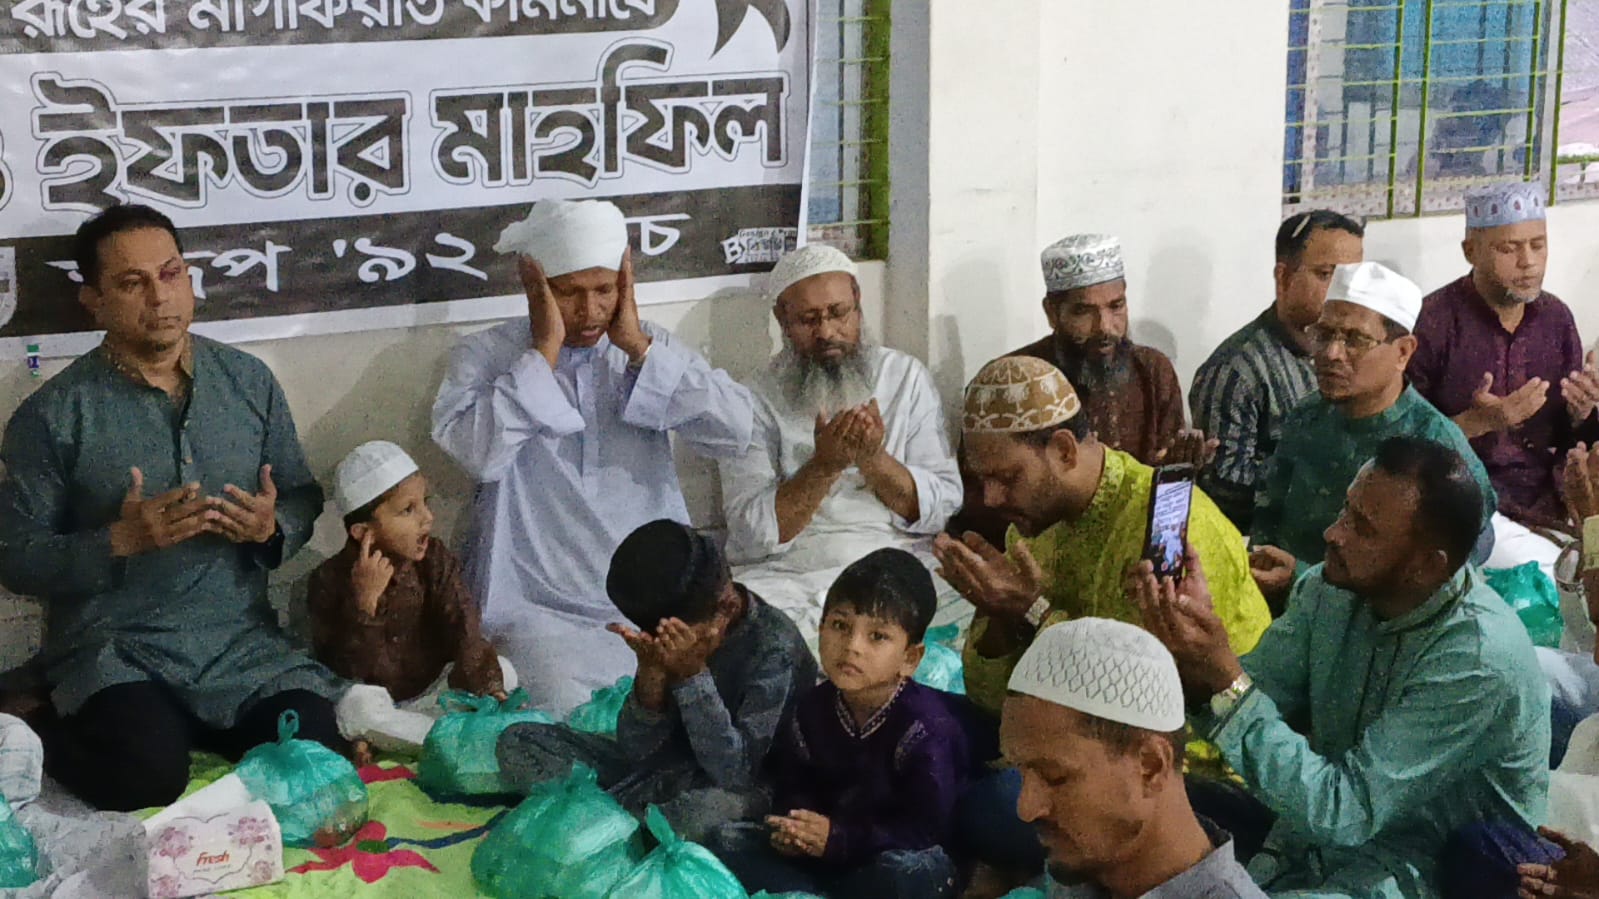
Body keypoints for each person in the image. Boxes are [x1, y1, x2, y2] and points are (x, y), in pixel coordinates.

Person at [0, 204, 346, 811]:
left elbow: (300, 493)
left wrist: (271, 527)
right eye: (132, 283)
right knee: (145, 778)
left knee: (317, 761)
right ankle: (34, 717)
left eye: (170, 274)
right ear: (94, 301)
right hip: (117, 648)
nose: (160, 298)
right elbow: (15, 556)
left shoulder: (248, 382)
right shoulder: (52, 416)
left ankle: (188, 724)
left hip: (239, 644)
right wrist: (118, 541)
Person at [1129, 436, 1549, 898]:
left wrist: (1224, 677)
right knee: (1128, 809)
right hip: (1307, 839)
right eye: (1346, 510)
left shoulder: (1477, 659)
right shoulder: (1330, 590)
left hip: (1426, 869)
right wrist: (1188, 646)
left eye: (1363, 528)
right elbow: (1254, 694)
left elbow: (1344, 812)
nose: (1334, 533)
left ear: (1427, 567)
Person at [931, 356, 1269, 881]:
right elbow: (992, 700)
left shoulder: (1168, 531)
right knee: (928, 727)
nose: (992, 499)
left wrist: (1031, 611)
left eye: (1006, 478)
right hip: (1070, 738)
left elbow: (1133, 712)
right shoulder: (1033, 521)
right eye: (982, 481)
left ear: (1064, 450)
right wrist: (1000, 615)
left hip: (1195, 769)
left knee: (995, 804)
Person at [432, 200, 755, 714]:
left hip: (658, 598)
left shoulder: (647, 346)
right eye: (569, 292)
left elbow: (736, 431)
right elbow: (479, 455)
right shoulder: (487, 356)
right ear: (534, 283)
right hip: (539, 607)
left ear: (626, 281)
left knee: (726, 695)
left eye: (605, 290)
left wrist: (640, 349)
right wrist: (542, 353)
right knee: (573, 714)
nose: (589, 312)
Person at [495, 519, 818, 842]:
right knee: (519, 741)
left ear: (727, 607)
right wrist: (651, 676)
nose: (666, 643)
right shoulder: (680, 623)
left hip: (739, 789)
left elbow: (735, 774)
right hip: (661, 774)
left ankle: (604, 823)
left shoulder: (774, 650)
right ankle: (622, 826)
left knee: (699, 815)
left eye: (673, 637)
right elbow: (637, 751)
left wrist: (693, 676)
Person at [719, 245, 961, 644]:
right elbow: (753, 532)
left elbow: (942, 507)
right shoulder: (750, 399)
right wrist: (824, 466)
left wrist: (874, 459)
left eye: (838, 313)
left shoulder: (905, 377)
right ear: (782, 319)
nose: (827, 332)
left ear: (858, 304)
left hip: (895, 564)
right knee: (758, 644)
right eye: (808, 319)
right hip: (792, 576)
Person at [707, 548, 967, 899]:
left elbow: (925, 830)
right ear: (821, 629)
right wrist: (795, 829)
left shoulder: (925, 729)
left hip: (886, 855)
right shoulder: (812, 708)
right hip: (826, 851)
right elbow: (794, 784)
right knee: (725, 839)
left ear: (910, 658)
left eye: (877, 636)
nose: (851, 647)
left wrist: (838, 839)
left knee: (910, 872)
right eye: (841, 626)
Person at [1250, 261, 1497, 612]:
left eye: (1355, 340)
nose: (1331, 354)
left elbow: (1440, 584)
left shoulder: (1436, 446)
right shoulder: (1308, 415)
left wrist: (1301, 579)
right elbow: (1269, 508)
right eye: (1324, 334)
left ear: (1403, 352)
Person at [950, 234, 1190, 546]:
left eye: (1116, 306)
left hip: (1132, 539)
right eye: (1083, 311)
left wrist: (1176, 474)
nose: (1104, 327)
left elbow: (1164, 492)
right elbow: (982, 506)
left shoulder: (1153, 370)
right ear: (1052, 312)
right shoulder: (1007, 386)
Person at [1000, 617, 1266, 898]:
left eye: (1055, 777)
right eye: (1021, 772)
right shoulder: (1091, 860)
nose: (1026, 808)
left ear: (1151, 766)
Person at [1410, 182, 1599, 573]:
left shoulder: (1556, 319)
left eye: (1537, 245)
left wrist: (1583, 413)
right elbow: (1402, 444)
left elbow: (1570, 439)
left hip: (1549, 503)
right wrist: (1479, 422)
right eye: (1509, 248)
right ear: (1471, 251)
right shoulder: (1432, 322)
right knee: (1561, 574)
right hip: (1469, 507)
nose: (1528, 262)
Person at [308, 440, 514, 760]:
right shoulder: (329, 580)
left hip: (434, 696)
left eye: (425, 503)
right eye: (408, 510)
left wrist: (490, 688)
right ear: (362, 532)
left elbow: (464, 627)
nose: (427, 518)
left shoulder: (434, 560)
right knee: (356, 708)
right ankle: (456, 740)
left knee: (504, 670)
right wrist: (365, 606)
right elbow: (344, 672)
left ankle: (400, 738)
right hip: (378, 703)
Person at [1191, 210, 1364, 531]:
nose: (1346, 290)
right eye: (1327, 274)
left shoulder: (1365, 353)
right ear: (1283, 277)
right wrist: (1318, 477)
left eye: (1354, 277)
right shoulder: (1237, 369)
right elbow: (1224, 488)